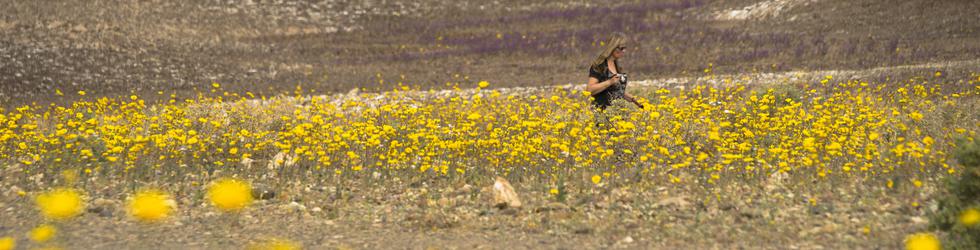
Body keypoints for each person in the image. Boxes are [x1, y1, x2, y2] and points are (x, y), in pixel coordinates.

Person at [585, 33, 643, 110]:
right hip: (602, 112)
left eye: (625, 48)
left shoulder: (617, 66)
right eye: (621, 48)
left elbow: (614, 90)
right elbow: (589, 90)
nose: (624, 51)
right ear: (613, 47)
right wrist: (610, 82)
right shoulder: (599, 66)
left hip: (616, 112)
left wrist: (632, 99)